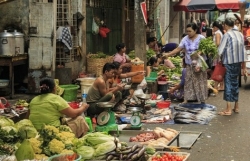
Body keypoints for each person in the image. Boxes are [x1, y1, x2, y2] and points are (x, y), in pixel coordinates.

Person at [164, 23, 207, 104]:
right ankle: (186, 99)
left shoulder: (202, 38)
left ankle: (202, 99)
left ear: (195, 30)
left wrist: (200, 52)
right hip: (189, 64)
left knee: (200, 81)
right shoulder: (185, 39)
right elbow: (178, 49)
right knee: (188, 82)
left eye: (190, 31)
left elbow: (205, 49)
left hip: (199, 65)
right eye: (187, 31)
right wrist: (168, 54)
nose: (188, 33)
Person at [217, 18, 247, 116]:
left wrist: (217, 58)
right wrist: (244, 67)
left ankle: (228, 109)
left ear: (225, 25)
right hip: (237, 63)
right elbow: (243, 51)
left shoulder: (227, 35)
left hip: (229, 63)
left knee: (228, 84)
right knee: (235, 83)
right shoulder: (240, 34)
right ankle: (236, 107)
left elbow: (220, 51)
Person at [211, 21, 224, 91]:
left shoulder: (217, 33)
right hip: (219, 53)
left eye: (213, 27)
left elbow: (218, 43)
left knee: (217, 70)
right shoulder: (219, 33)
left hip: (217, 53)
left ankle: (217, 86)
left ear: (215, 27)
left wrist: (212, 49)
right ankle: (221, 85)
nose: (212, 29)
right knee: (219, 69)